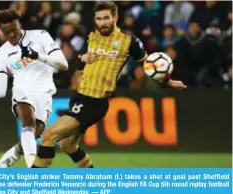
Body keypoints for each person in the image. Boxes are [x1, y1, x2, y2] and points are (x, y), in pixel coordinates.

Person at [31, 1, 186, 168]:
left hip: (95, 101)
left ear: (115, 17)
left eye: (106, 18)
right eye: (99, 18)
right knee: (67, 145)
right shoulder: (92, 37)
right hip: (79, 97)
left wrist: (168, 80)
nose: (102, 22)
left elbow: (149, 64)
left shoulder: (129, 41)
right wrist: (81, 59)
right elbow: (79, 64)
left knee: (48, 136)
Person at [0, 9, 68, 168]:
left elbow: (63, 65)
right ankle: (33, 169)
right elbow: (0, 90)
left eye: (14, 30)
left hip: (44, 94)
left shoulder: (40, 36)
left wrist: (37, 56)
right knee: (28, 125)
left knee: (28, 140)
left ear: (20, 25)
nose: (11, 35)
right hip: (22, 92)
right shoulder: (1, 54)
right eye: (6, 32)